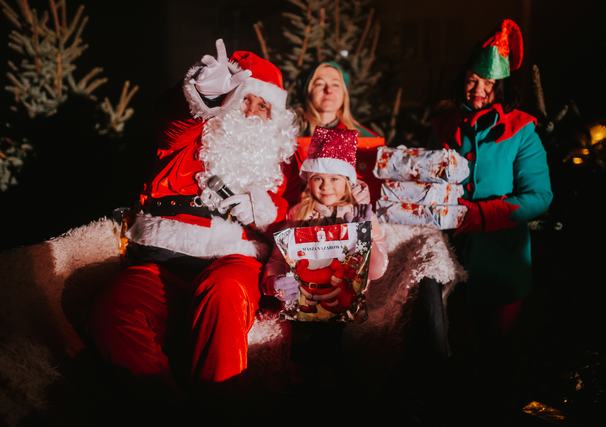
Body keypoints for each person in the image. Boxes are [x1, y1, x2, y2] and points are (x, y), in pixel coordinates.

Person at [87, 39, 298, 405]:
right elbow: (171, 121)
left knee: (224, 294)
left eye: (262, 105)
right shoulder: (187, 139)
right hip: (161, 264)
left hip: (234, 262)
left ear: (274, 120)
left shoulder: (279, 167)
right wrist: (203, 93)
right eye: (244, 99)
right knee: (112, 313)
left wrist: (265, 212)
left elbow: (297, 220)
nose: (250, 111)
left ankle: (220, 410)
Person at [426, 18, 553, 423]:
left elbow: (539, 197)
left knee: (499, 360)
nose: (478, 89)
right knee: (455, 356)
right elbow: (425, 178)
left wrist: (478, 215)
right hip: (451, 260)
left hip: (503, 261)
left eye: (488, 83)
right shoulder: (444, 125)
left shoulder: (521, 130)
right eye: (472, 80)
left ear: (502, 87)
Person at [261, 126, 388, 390]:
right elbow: (278, 259)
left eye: (334, 179)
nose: (326, 186)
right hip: (305, 306)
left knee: (332, 355)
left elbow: (376, 270)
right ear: (309, 180)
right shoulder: (298, 214)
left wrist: (364, 235)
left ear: (348, 181)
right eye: (319, 178)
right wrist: (276, 282)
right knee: (302, 358)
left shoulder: (360, 215)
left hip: (342, 308)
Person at [283, 61, 385, 207]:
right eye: (319, 84)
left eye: (335, 84)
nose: (328, 90)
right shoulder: (288, 135)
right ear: (308, 91)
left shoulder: (367, 140)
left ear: (344, 94)